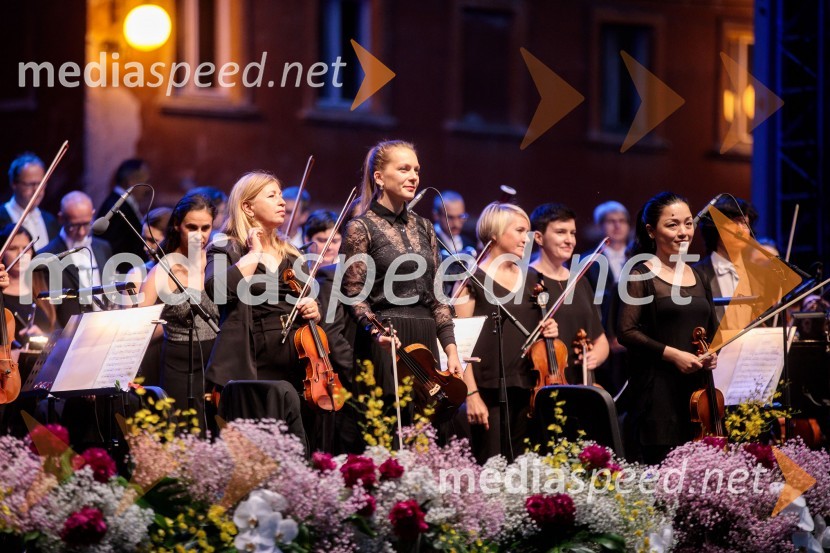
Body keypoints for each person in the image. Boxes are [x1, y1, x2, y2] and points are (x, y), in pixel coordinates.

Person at [340, 140, 463, 418]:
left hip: (426, 342)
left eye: (416, 170)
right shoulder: (361, 228)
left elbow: (437, 297)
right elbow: (353, 294)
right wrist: (375, 332)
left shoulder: (426, 228)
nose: (414, 177)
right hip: (387, 341)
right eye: (404, 169)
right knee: (391, 429)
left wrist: (451, 350)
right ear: (380, 177)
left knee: (429, 429)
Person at [204, 172, 319, 447]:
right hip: (252, 364)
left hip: (297, 364)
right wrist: (253, 254)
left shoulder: (291, 251)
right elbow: (218, 290)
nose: (282, 202)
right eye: (272, 196)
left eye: (280, 194)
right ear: (247, 207)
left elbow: (311, 298)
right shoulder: (226, 246)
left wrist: (315, 308)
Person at [616, 192, 718, 464]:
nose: (683, 232)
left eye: (688, 223)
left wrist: (713, 353)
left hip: (698, 394)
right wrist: (673, 354)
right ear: (651, 231)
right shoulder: (639, 275)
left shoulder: (699, 275)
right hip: (658, 393)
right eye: (672, 225)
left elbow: (711, 330)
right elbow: (626, 331)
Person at [453, 202, 558, 463]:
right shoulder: (471, 279)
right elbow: (459, 343)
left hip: (528, 390)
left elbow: (540, 331)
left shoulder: (534, 278)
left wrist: (551, 330)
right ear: (496, 233)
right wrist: (471, 394)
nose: (528, 237)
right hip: (486, 392)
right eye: (520, 230)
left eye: (528, 231)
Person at [139, 194, 218, 426]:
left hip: (214, 362)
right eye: (191, 227)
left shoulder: (217, 261)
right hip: (179, 364)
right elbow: (139, 324)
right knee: (183, 434)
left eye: (206, 228)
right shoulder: (163, 270)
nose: (199, 235)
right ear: (177, 226)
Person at [528, 203, 609, 385]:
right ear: (539, 237)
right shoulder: (527, 281)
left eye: (572, 233)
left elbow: (600, 340)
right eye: (560, 232)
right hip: (544, 382)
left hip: (580, 383)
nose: (570, 240)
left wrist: (595, 356)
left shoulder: (580, 281)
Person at [39, 191, 113, 327]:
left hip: (104, 327)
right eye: (74, 225)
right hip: (69, 335)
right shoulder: (46, 256)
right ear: (61, 219)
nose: (81, 232)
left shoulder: (103, 247)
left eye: (86, 224)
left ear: (93, 214)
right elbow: (47, 308)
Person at [694, 196, 759, 323]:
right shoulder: (696, 274)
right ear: (716, 226)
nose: (741, 229)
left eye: (744, 223)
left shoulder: (758, 275)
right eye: (735, 222)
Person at [0, 225, 55, 347]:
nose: (21, 254)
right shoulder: (1, 293)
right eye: (13, 248)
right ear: (2, 253)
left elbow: (58, 333)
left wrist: (44, 339)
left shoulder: (43, 285)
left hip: (41, 363)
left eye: (26, 248)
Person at [1, 153, 60, 250]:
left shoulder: (50, 221)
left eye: (41, 183)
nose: (37, 189)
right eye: (30, 184)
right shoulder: (1, 217)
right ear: (14, 184)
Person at [97, 158, 152, 260]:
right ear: (131, 181)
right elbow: (112, 248)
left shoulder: (120, 204)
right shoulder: (115, 207)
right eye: (145, 182)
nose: (147, 188)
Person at [432, 191, 476, 257]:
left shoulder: (469, 242)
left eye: (460, 217)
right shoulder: (428, 241)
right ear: (436, 216)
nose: (456, 224)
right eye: (450, 217)